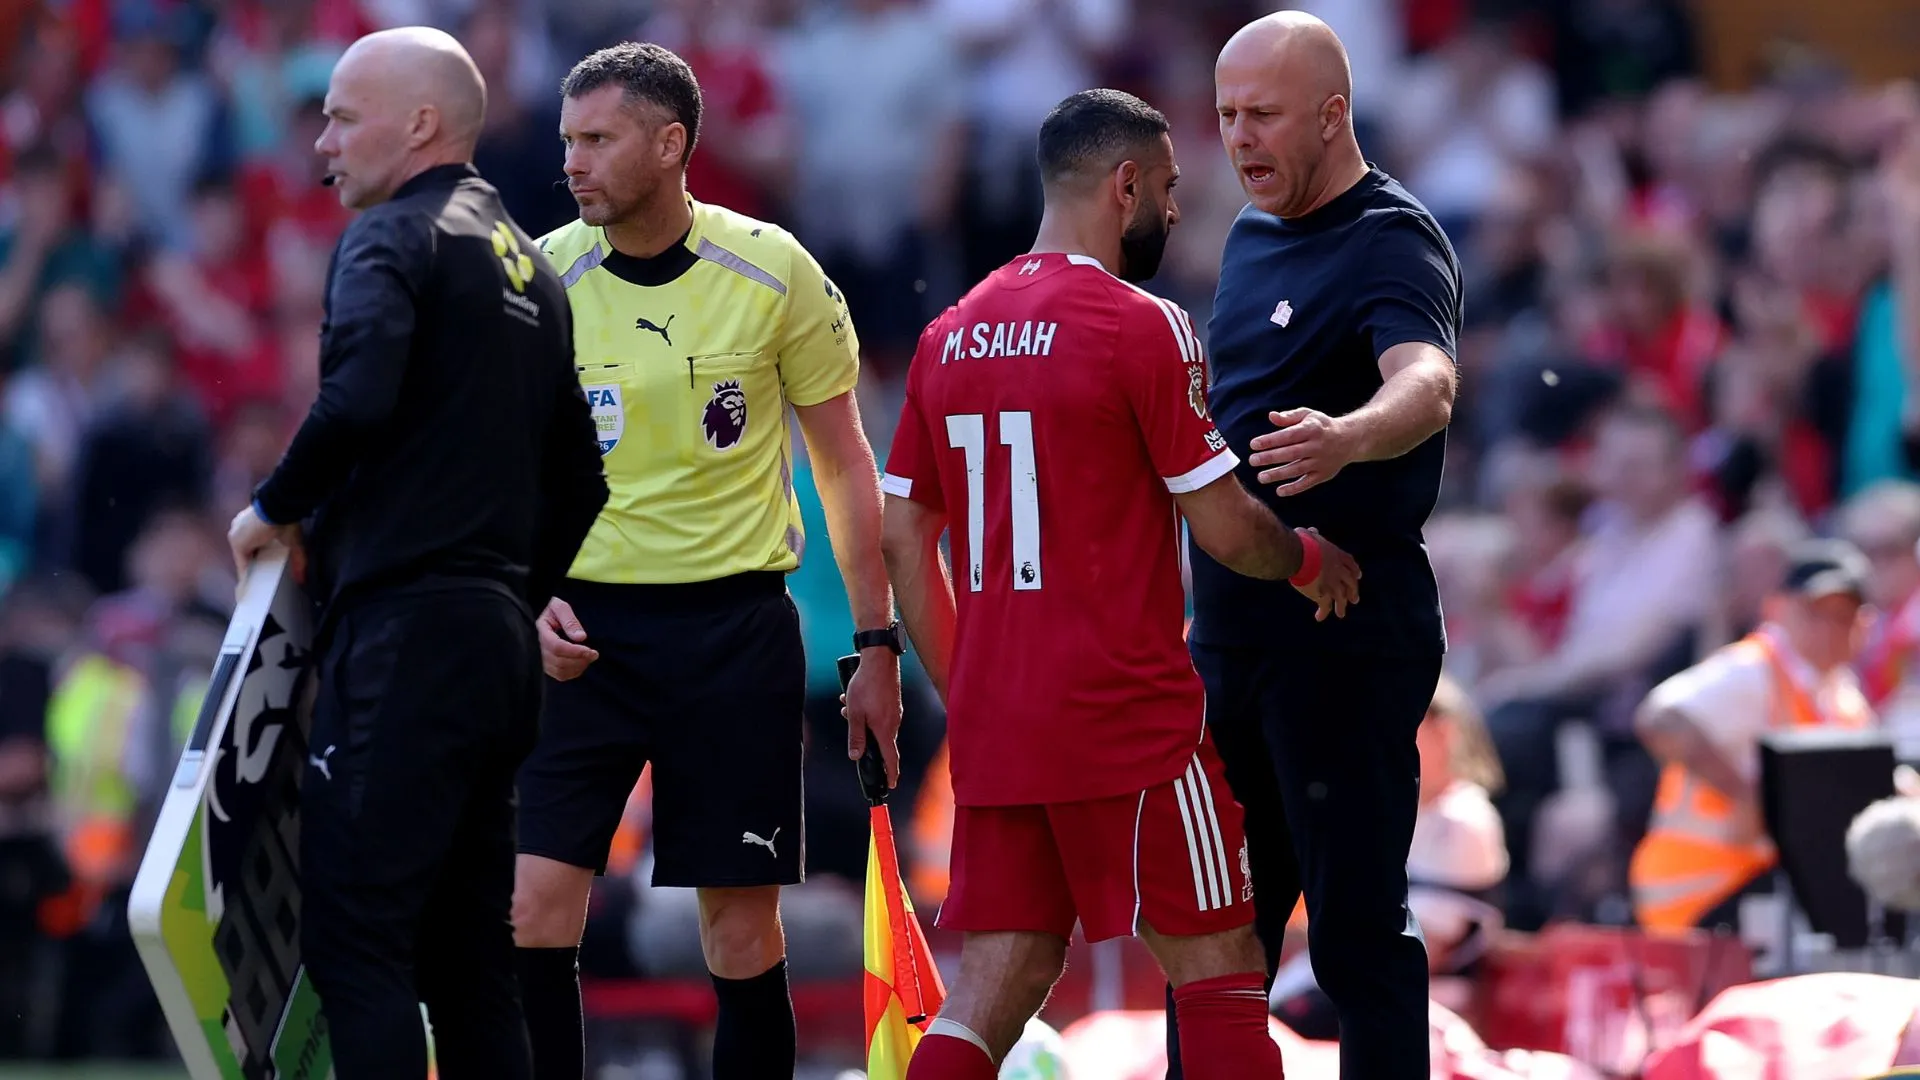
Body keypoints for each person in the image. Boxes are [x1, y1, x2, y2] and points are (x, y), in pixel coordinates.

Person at [879, 88, 1360, 1080]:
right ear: (1126, 184)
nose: (1176, 210)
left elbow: (901, 536)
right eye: (1171, 188)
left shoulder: (947, 335)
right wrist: (1311, 560)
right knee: (1221, 964)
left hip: (1002, 724)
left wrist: (970, 688)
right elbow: (1225, 528)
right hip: (1126, 714)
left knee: (998, 978)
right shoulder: (1141, 324)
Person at [509, 42, 903, 1080]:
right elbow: (497, 468)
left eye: (598, 139)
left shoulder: (773, 269)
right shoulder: (542, 276)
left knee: (738, 928)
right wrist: (527, 594)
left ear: (669, 144)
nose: (573, 162)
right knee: (532, 909)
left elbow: (845, 464)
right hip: (580, 639)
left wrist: (875, 643)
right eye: (567, 140)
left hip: (732, 634)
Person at [225, 26, 609, 1080]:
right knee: (470, 965)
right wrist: (508, 595)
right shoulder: (535, 266)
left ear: (420, 124)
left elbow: (355, 400)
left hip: (403, 641)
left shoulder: (393, 235)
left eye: (342, 119)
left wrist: (272, 507)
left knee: (357, 945)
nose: (322, 144)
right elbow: (585, 481)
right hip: (493, 650)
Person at [1171, 12, 1463, 1080]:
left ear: (1334, 115)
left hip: (1344, 634)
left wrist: (1349, 437)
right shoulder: (1251, 235)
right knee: (1217, 939)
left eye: (1265, 115)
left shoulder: (1392, 236)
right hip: (1232, 635)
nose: (1240, 138)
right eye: (1227, 115)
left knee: (1352, 934)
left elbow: (1428, 381)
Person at [1630, 540, 1875, 933]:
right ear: (1779, 609)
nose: (1830, 628)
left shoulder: (1841, 695)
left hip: (1764, 894)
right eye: (1816, 612)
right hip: (1704, 895)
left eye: (1843, 616)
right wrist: (1751, 796)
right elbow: (1660, 719)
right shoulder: (1751, 670)